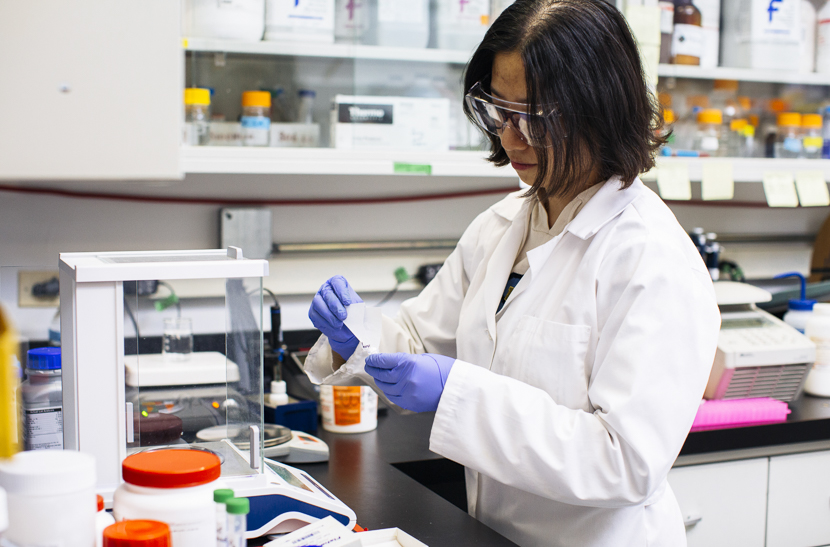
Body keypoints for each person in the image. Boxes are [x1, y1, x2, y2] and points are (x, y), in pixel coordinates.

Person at [307, 0, 720, 545]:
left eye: (535, 117)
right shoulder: (501, 224)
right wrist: (352, 333)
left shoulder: (651, 257)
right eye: (501, 110)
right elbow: (415, 340)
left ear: (600, 110)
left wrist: (461, 392)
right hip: (496, 531)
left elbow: (624, 462)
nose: (509, 137)